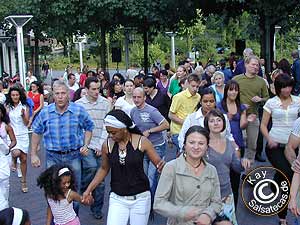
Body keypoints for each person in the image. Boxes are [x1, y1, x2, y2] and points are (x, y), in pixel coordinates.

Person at [82, 109, 165, 225]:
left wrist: (164, 168)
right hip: (117, 198)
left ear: (124, 129)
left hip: (141, 198)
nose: (110, 135)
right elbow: (104, 169)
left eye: (114, 132)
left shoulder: (142, 142)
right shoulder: (107, 145)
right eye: (108, 132)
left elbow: (159, 164)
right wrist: (88, 190)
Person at [31, 80, 94, 212]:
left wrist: (86, 144)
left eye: (63, 93)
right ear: (53, 95)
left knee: (73, 189)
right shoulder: (45, 112)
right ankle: (57, 219)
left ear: (68, 95)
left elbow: (89, 126)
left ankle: (73, 219)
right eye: (57, 93)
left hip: (73, 156)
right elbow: (36, 131)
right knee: (52, 190)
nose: (60, 96)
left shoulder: (78, 110)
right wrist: (33, 154)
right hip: (52, 157)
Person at [154, 125, 229, 225]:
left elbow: (216, 202)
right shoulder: (171, 167)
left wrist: (208, 214)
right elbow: (159, 203)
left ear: (207, 147)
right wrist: (182, 212)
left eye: (201, 143)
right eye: (191, 142)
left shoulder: (211, 170)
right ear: (184, 145)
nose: (196, 147)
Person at [260, 73, 300, 225]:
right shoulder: (271, 103)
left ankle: (275, 181)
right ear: (278, 88)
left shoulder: (298, 101)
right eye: (284, 87)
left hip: (294, 146)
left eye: (289, 86)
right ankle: (282, 218)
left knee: (286, 176)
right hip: (275, 145)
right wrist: (269, 139)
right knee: (288, 175)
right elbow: (263, 124)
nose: (287, 90)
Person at [204, 109, 250, 225]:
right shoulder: (202, 144)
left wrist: (243, 163)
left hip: (226, 194)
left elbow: (236, 167)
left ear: (224, 123)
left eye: (219, 120)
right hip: (206, 196)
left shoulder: (229, 144)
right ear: (207, 124)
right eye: (212, 121)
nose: (216, 123)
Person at [75, 76, 111, 219]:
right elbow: (79, 127)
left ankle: (96, 208)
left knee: (101, 181)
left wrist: (100, 144)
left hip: (102, 143)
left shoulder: (106, 103)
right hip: (86, 144)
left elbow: (107, 125)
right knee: (90, 167)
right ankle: (84, 188)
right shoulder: (78, 105)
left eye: (99, 89)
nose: (97, 92)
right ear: (86, 90)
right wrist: (87, 144)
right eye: (94, 89)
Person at [131, 87, 169, 203]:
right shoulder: (133, 111)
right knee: (143, 175)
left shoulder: (152, 111)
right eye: (134, 97)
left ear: (144, 98)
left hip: (156, 147)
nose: (136, 100)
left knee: (151, 177)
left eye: (139, 97)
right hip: (142, 148)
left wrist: (150, 131)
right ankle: (146, 200)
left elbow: (166, 125)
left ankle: (152, 203)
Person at [233, 55, 269, 164]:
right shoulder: (236, 79)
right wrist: (239, 105)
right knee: (238, 142)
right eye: (253, 64)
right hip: (237, 116)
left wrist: (260, 99)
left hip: (254, 116)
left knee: (252, 144)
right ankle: (237, 166)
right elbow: (229, 96)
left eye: (257, 65)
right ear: (246, 65)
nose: (255, 67)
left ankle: (249, 169)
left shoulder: (261, 82)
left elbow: (268, 99)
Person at [5, 87, 30, 193]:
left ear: (20, 95)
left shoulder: (25, 106)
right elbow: (5, 121)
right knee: (16, 152)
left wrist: (23, 115)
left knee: (24, 159)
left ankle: (24, 181)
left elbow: (26, 123)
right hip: (12, 135)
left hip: (23, 134)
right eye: (13, 95)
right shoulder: (7, 107)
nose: (15, 97)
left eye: (17, 95)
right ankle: (14, 161)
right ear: (10, 96)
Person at [168, 74, 201, 152]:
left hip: (191, 130)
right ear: (188, 84)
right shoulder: (178, 97)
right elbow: (171, 115)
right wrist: (186, 123)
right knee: (186, 151)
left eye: (197, 87)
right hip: (177, 131)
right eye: (193, 86)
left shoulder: (198, 97)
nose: (195, 89)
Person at [0, 103, 16, 211]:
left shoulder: (6, 126)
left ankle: (4, 206)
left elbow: (14, 141)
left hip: (4, 156)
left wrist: (7, 148)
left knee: (5, 183)